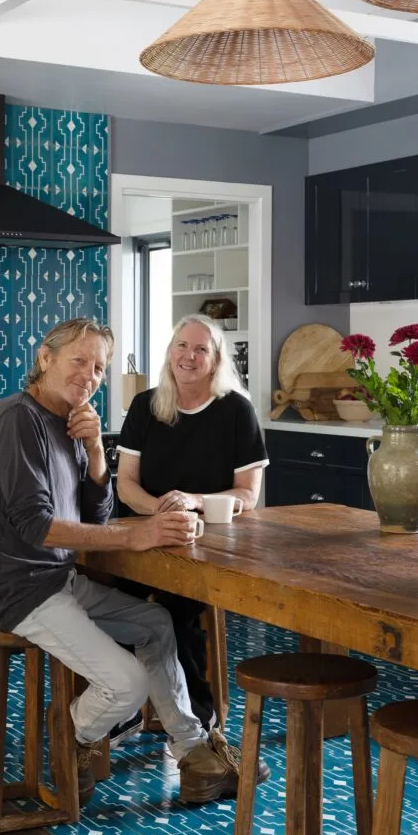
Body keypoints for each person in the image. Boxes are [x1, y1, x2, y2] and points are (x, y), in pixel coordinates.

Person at [0, 317, 241, 806]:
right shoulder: (16, 419)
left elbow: (98, 512)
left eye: (99, 368)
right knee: (127, 682)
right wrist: (136, 539)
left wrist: (94, 450)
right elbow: (37, 528)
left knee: (157, 623)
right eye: (79, 361)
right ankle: (70, 737)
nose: (90, 376)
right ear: (45, 358)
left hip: (56, 580)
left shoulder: (69, 420)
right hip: (16, 592)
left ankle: (194, 749)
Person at [116, 314, 270, 779]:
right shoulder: (146, 406)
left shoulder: (236, 411)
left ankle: (198, 722)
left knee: (177, 610)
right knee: (109, 600)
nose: (189, 356)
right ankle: (122, 707)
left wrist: (194, 504)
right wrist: (160, 516)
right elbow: (126, 486)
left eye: (201, 349)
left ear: (216, 359)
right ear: (170, 352)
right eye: (181, 345)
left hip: (207, 543)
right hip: (143, 533)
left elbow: (248, 494)